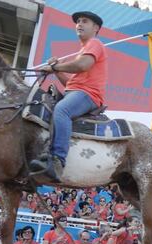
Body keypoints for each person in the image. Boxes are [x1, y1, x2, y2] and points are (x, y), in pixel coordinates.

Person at [30, 11, 107, 182]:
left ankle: (57, 160)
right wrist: (56, 69)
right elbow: (70, 84)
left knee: (62, 110)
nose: (79, 24)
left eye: (84, 21)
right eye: (78, 21)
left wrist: (56, 67)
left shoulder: (95, 43)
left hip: (89, 95)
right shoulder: (83, 50)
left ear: (95, 28)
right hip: (75, 92)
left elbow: (83, 65)